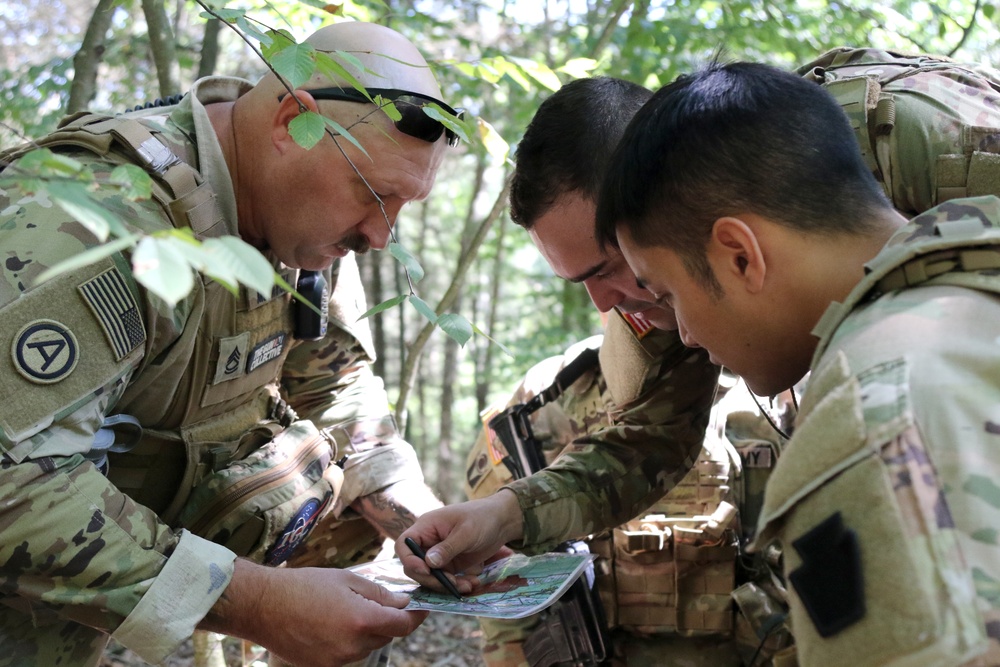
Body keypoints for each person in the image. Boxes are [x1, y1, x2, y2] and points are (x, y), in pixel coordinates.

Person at [0, 21, 459, 667]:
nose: (381, 236)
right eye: (375, 194)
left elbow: (332, 379)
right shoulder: (97, 222)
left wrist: (412, 510)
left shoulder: (301, 225)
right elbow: (10, 478)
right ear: (292, 123)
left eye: (403, 204)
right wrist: (257, 602)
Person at [594, 60, 1000, 666]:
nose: (683, 333)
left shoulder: (866, 415)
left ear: (740, 256)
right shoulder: (972, 298)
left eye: (670, 295)